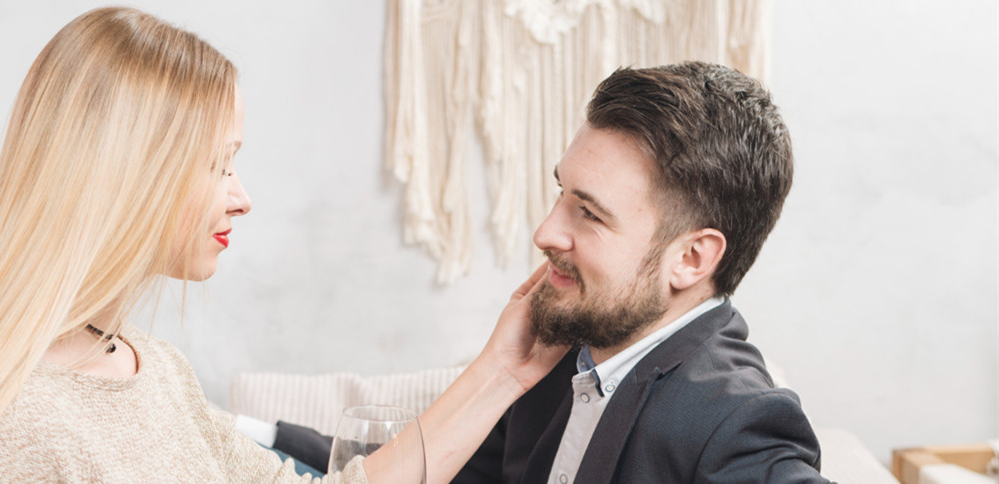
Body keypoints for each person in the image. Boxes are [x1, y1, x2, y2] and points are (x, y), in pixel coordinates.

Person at [0, 7, 566, 484]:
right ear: (125, 176)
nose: (241, 197)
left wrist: (502, 370)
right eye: (217, 164)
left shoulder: (154, 370)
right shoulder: (10, 425)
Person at [276, 62, 830, 483]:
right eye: (560, 193)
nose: (545, 232)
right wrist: (249, 440)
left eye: (589, 213)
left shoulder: (740, 425)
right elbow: (440, 466)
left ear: (691, 258)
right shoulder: (561, 350)